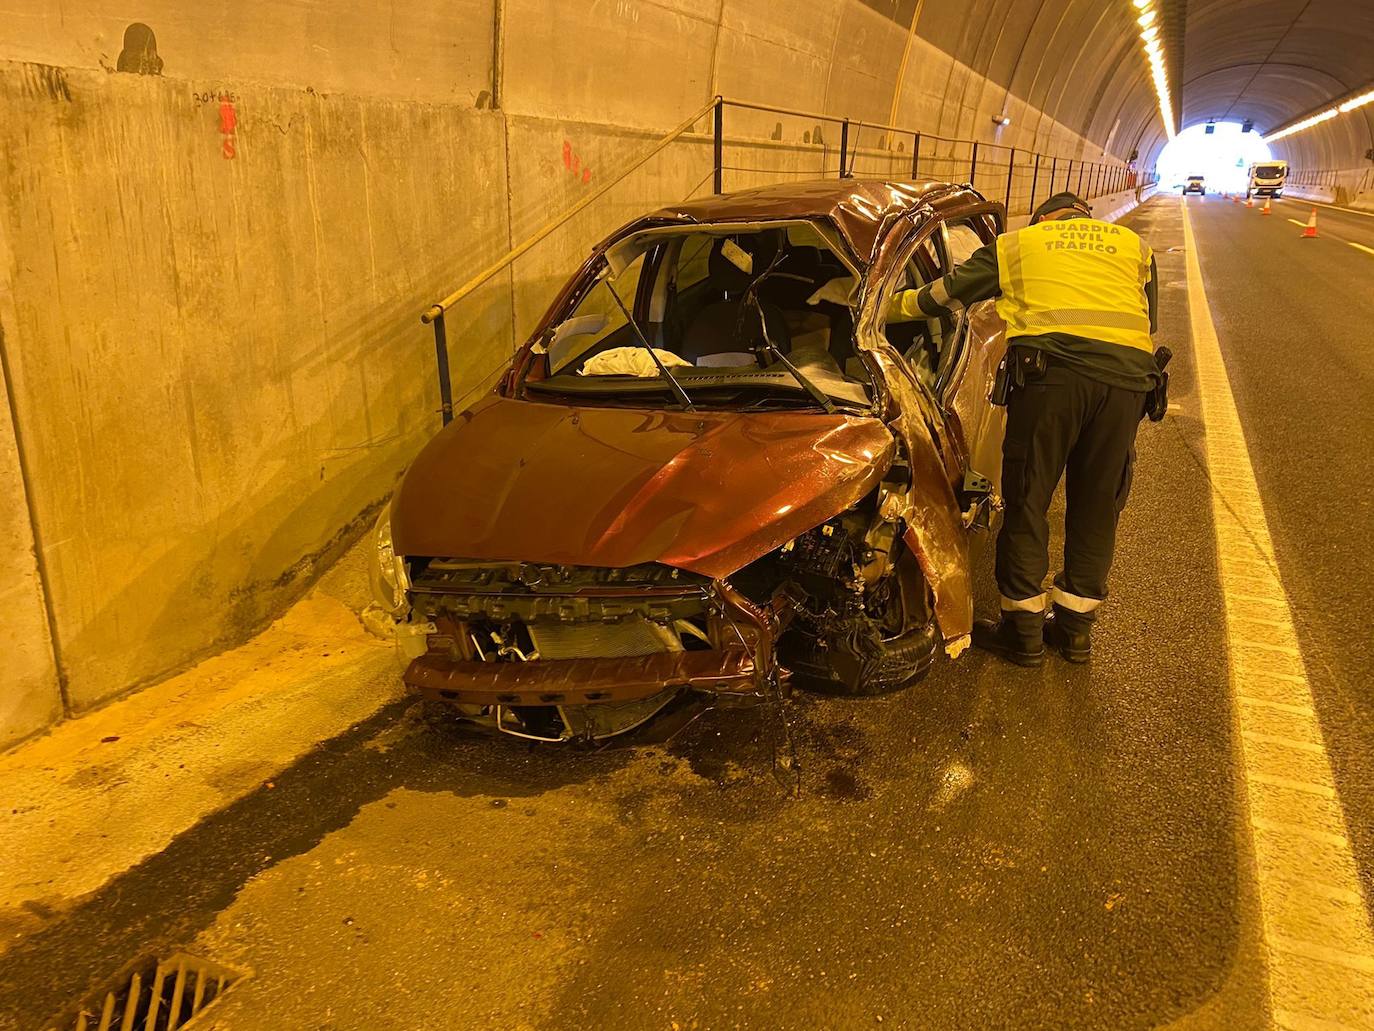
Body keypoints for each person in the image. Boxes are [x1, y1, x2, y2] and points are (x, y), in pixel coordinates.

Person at [820, 192, 1160, 666]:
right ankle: (1075, 633)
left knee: (1028, 500)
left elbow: (942, 296)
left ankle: (1024, 635)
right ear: (1084, 218)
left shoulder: (1020, 245)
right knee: (1098, 506)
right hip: (1126, 386)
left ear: (1042, 219)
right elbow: (1148, 320)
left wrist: (871, 308)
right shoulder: (1133, 247)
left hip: (1051, 383)